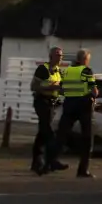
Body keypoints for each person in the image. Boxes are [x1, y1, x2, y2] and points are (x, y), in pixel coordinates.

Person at [56, 49, 99, 179]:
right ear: (85, 60)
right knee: (86, 139)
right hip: (84, 108)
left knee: (61, 134)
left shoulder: (68, 71)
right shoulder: (86, 71)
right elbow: (94, 91)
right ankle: (82, 170)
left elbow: (61, 89)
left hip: (69, 106)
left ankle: (49, 161)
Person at [30, 46, 64, 175]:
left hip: (52, 103)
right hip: (42, 101)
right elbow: (34, 86)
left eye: (61, 55)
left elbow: (60, 88)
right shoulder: (43, 69)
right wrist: (52, 87)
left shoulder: (58, 71)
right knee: (48, 132)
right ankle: (51, 161)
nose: (60, 58)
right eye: (57, 55)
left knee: (42, 133)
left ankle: (37, 162)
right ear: (51, 56)